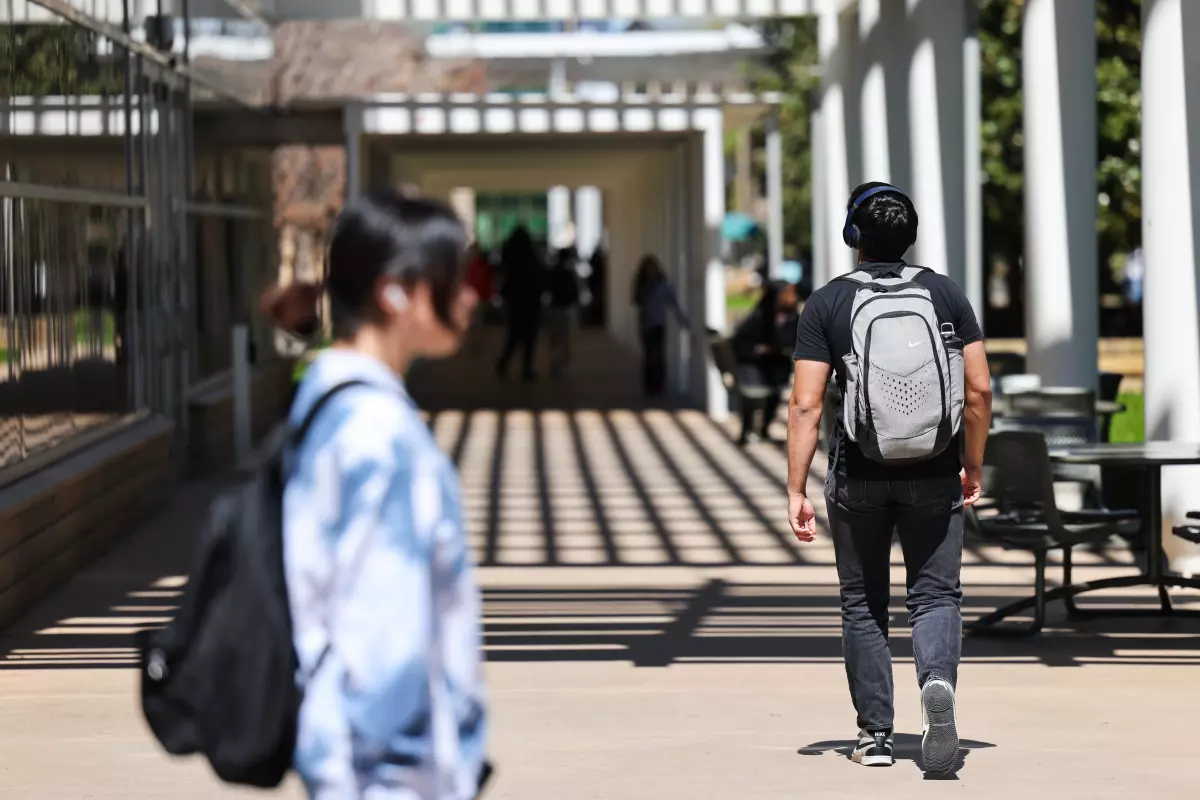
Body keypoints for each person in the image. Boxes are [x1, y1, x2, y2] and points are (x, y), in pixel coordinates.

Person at [263, 191, 489, 799]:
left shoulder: (327, 399)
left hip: (344, 756)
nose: (470, 296)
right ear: (395, 293)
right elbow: (385, 645)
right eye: (453, 279)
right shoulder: (380, 435)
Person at [786, 182, 992, 774]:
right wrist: (971, 460)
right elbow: (978, 390)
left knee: (862, 602)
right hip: (934, 469)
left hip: (858, 472)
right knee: (935, 594)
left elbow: (805, 405)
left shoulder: (827, 304)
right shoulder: (945, 294)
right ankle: (937, 686)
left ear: (853, 236)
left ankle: (876, 737)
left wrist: (796, 488)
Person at [731, 280, 799, 445]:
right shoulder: (758, 317)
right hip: (755, 365)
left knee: (774, 397)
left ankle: (764, 428)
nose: (792, 298)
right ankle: (747, 429)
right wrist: (758, 350)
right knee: (751, 398)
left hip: (777, 366)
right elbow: (740, 341)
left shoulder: (793, 317)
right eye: (786, 293)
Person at [632, 254, 688, 397]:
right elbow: (635, 300)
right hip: (646, 323)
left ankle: (659, 385)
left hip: (658, 324)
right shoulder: (642, 285)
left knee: (659, 355)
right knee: (649, 355)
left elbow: (673, 303)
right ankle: (650, 385)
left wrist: (681, 319)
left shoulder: (663, 285)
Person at [495, 226, 546, 381]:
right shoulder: (532, 255)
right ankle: (526, 368)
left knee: (514, 334)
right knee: (530, 336)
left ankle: (504, 362)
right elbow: (541, 276)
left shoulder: (509, 255)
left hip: (514, 300)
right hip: (530, 300)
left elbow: (503, 274)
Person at [545, 247, 581, 377]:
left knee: (555, 339)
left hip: (555, 308)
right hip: (564, 308)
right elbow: (574, 292)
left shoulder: (554, 271)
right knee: (564, 339)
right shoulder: (567, 272)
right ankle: (563, 365)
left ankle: (555, 364)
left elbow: (547, 288)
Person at [464, 243, 495, 356]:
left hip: (476, 299)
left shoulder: (473, 266)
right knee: (475, 324)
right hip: (476, 298)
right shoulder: (478, 266)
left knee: (476, 324)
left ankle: (476, 346)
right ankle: (475, 346)